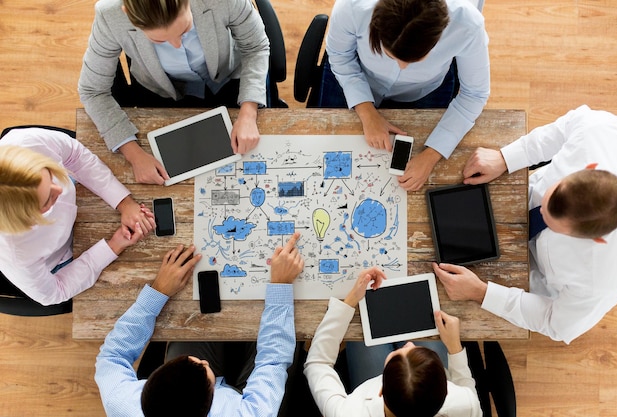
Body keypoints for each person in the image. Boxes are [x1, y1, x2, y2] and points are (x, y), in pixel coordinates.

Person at [433, 105, 617, 344]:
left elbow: (555, 323)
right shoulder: (598, 131)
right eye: (550, 197)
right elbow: (560, 131)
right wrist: (506, 158)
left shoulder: (603, 279)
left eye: (554, 225)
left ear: (596, 239)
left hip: (538, 278)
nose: (542, 211)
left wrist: (481, 292)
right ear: (588, 168)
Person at [95, 232, 304, 417]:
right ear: (210, 399)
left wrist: (158, 290)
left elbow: (112, 356)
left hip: (191, 394)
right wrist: (281, 285)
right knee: (288, 343)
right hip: (241, 401)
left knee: (194, 322)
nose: (202, 361)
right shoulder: (251, 413)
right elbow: (273, 361)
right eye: (203, 367)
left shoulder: (122, 403)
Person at [78, 0, 270, 185]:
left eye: (185, 31)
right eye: (159, 40)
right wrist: (134, 155)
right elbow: (92, 91)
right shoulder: (109, 15)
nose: (177, 45)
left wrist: (248, 113)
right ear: (128, 15)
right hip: (161, 92)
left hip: (227, 80)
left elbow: (255, 47)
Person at [323, 0, 490, 191]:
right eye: (390, 55)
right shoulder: (352, 6)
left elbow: (475, 94)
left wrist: (431, 155)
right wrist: (366, 111)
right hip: (356, 74)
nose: (402, 67)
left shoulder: (467, 23)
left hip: (427, 89)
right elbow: (340, 56)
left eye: (415, 60)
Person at [0, 127, 154, 306]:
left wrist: (124, 203)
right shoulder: (16, 253)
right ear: (25, 219)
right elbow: (55, 292)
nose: (60, 189)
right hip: (61, 258)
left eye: (49, 176)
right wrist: (113, 246)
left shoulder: (24, 142)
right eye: (47, 200)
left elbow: (75, 155)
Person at [304, 267, 482, 417]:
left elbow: (317, 363)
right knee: (423, 318)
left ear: (380, 390)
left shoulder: (349, 412)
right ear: (446, 391)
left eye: (396, 355)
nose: (409, 344)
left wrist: (349, 301)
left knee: (363, 324)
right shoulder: (466, 404)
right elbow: (467, 388)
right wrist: (454, 348)